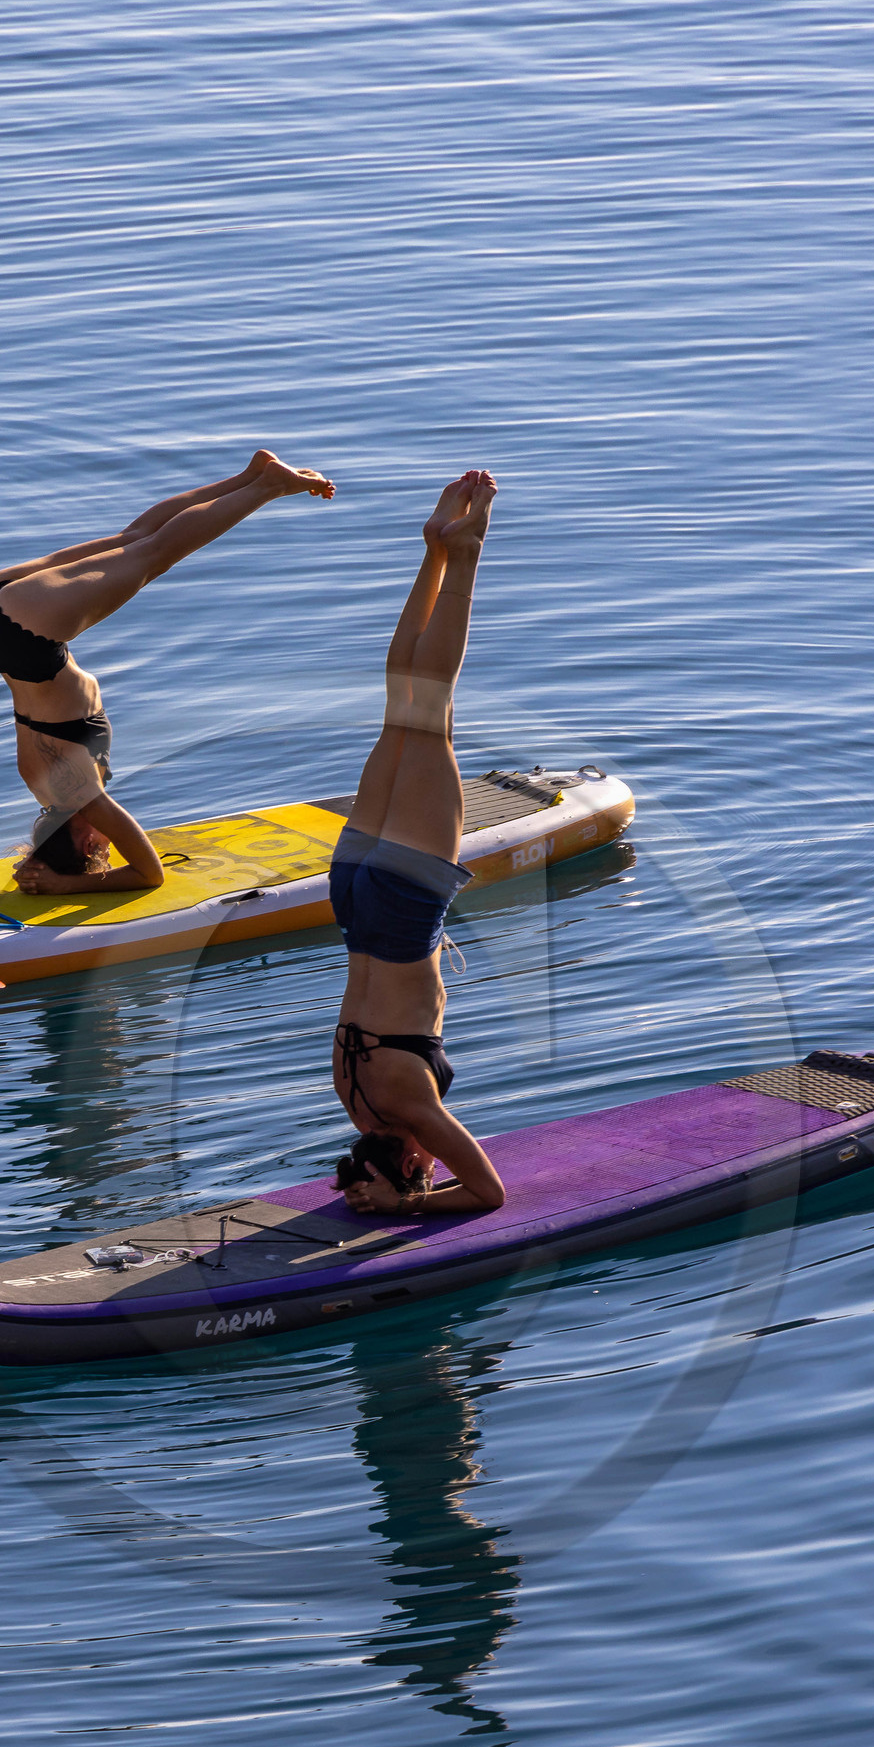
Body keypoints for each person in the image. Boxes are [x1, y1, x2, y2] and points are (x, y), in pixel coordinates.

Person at [0, 449, 335, 895]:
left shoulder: (80, 798)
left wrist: (66, 886)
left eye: (101, 850)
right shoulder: (48, 794)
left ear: (86, 843)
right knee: (137, 538)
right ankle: (249, 475)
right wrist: (41, 868)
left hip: (25, 632)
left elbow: (149, 874)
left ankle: (269, 485)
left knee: (156, 553)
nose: (109, 845)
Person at [329, 472, 507, 1217]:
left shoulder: (411, 1111)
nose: (432, 1161)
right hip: (351, 899)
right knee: (400, 707)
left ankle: (462, 554)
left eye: (422, 1169)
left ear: (407, 1159)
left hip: (404, 908)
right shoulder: (354, 1098)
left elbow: (488, 1194)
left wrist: (408, 1207)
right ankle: (433, 551)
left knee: (430, 708)